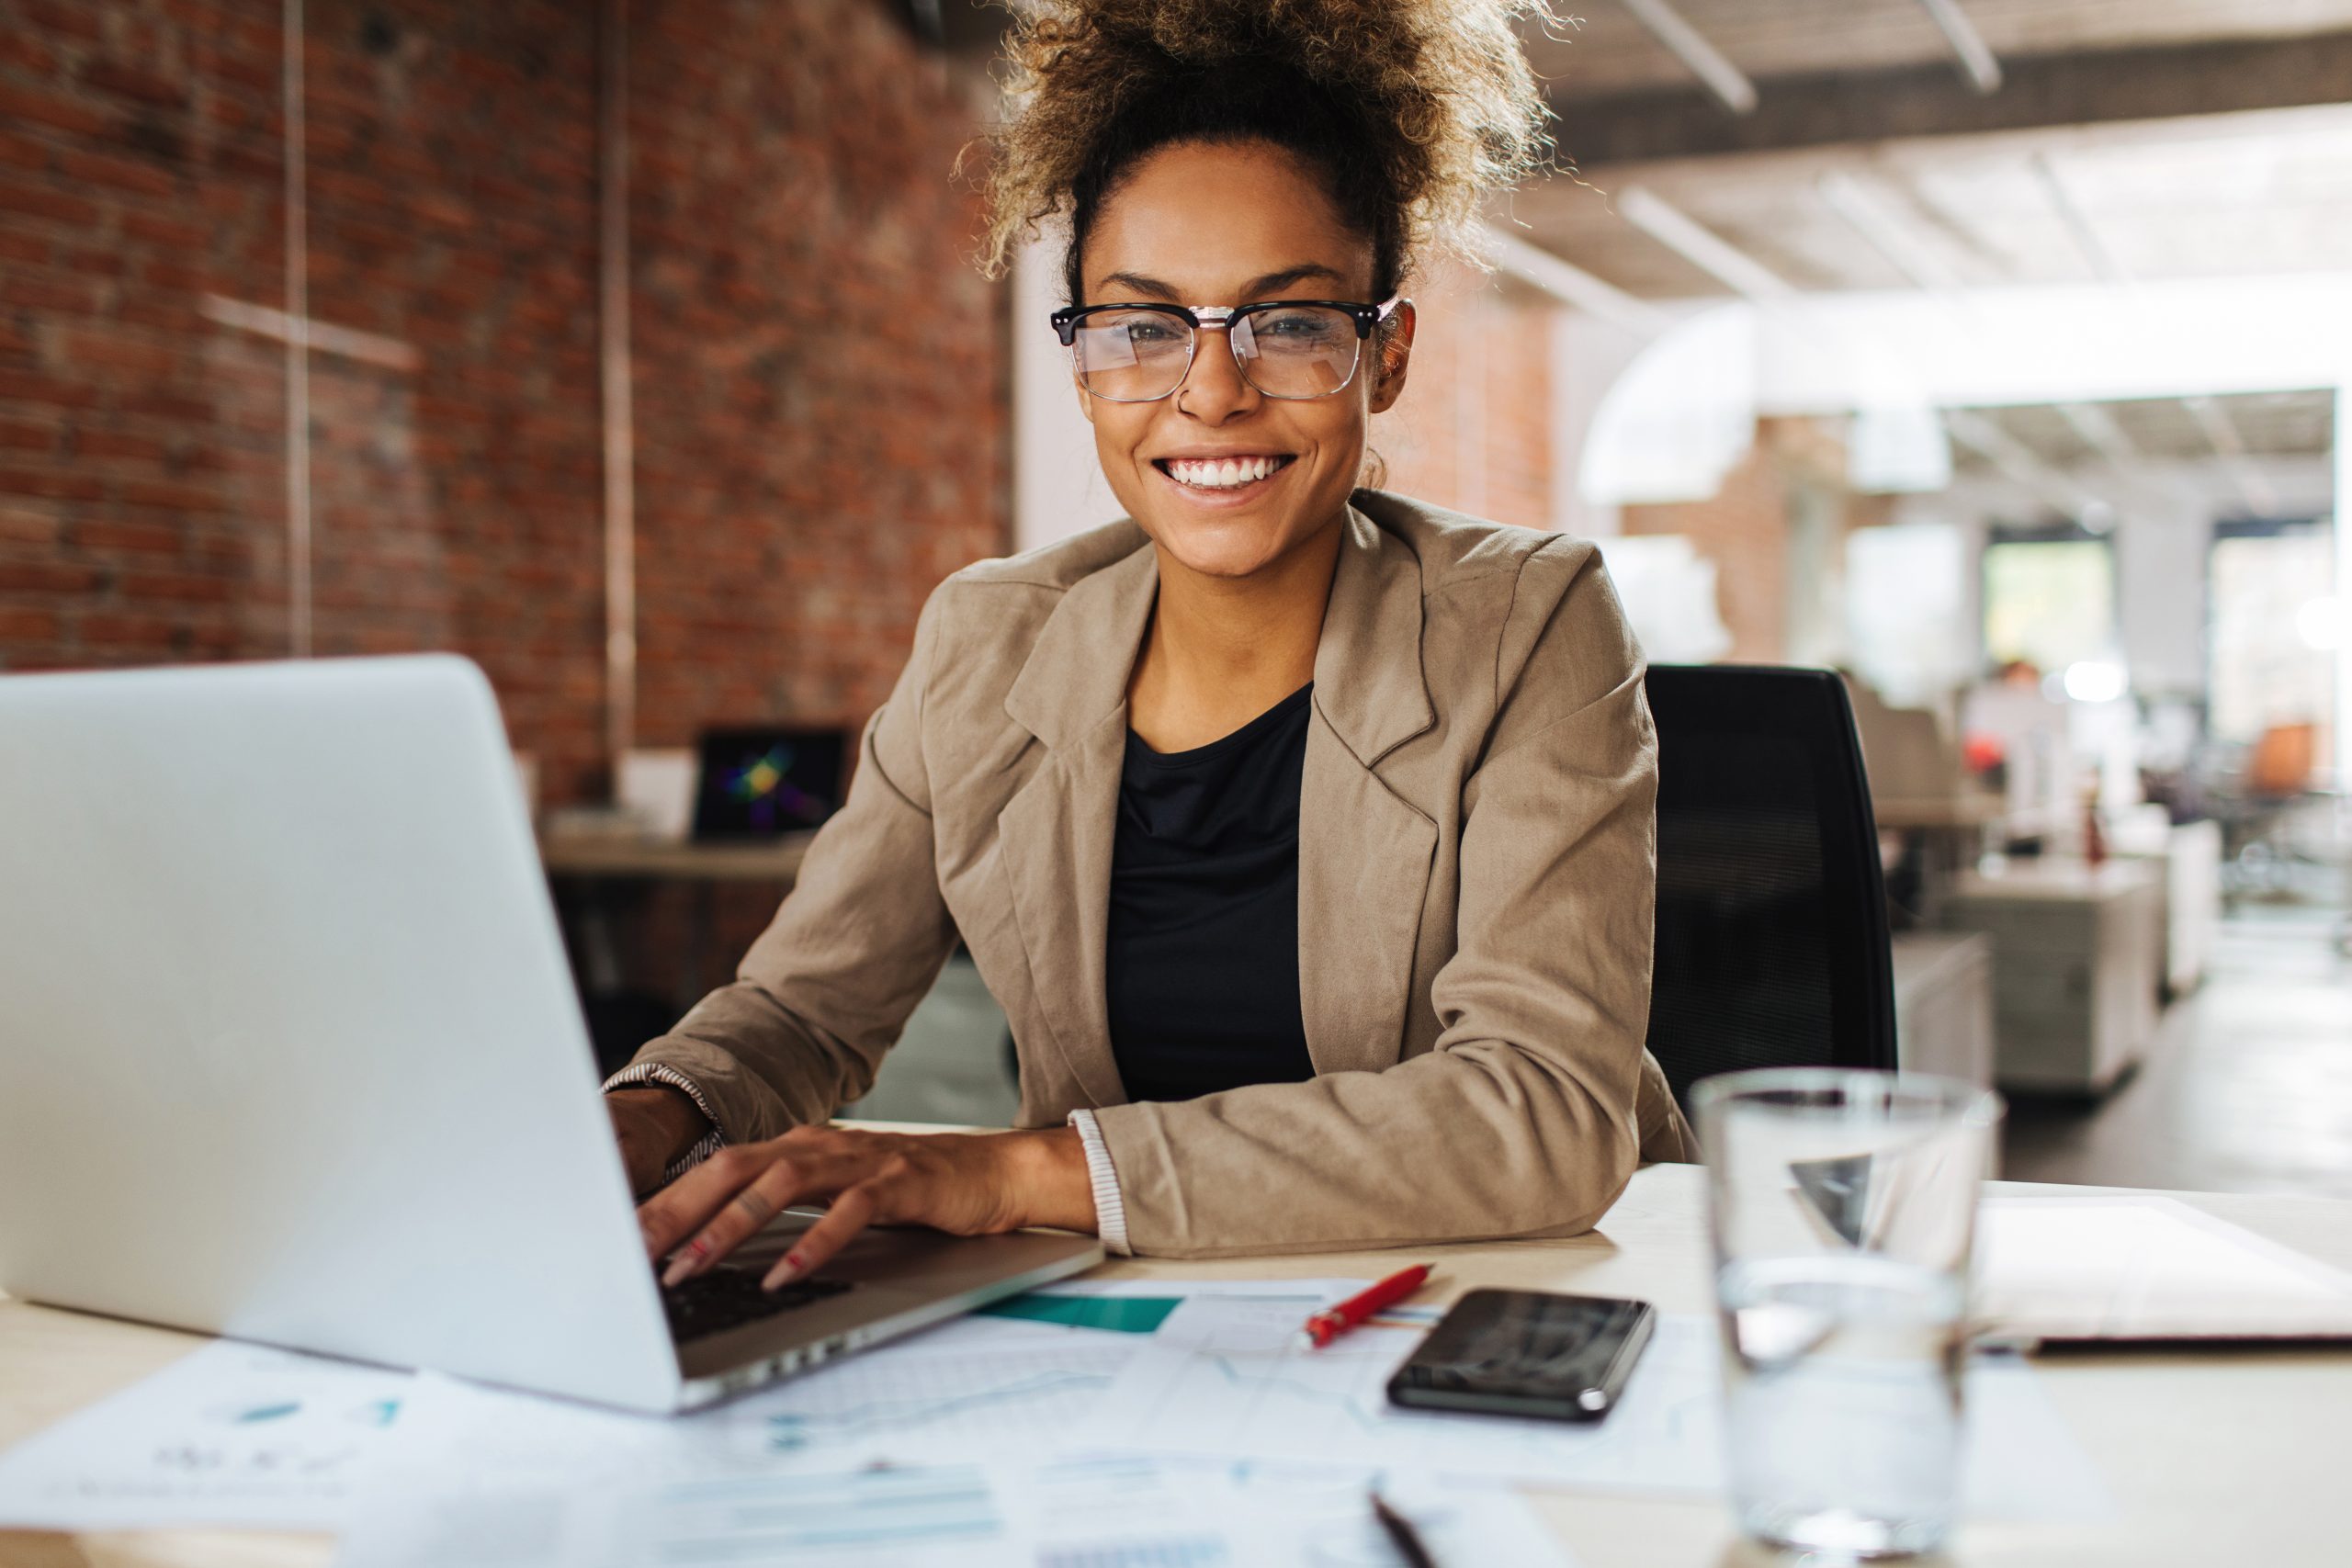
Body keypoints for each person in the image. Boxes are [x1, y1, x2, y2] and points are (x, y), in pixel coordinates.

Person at [611, 0, 1693, 1286]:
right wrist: (645, 1113)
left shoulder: (1531, 620)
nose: (1212, 390)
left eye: (1288, 323)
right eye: (1143, 328)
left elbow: (1543, 1112)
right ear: (1082, 368)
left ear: (1384, 356)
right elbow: (802, 1008)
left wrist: (1016, 1172)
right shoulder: (987, 641)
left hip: (1485, 1301)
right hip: (1135, 1321)